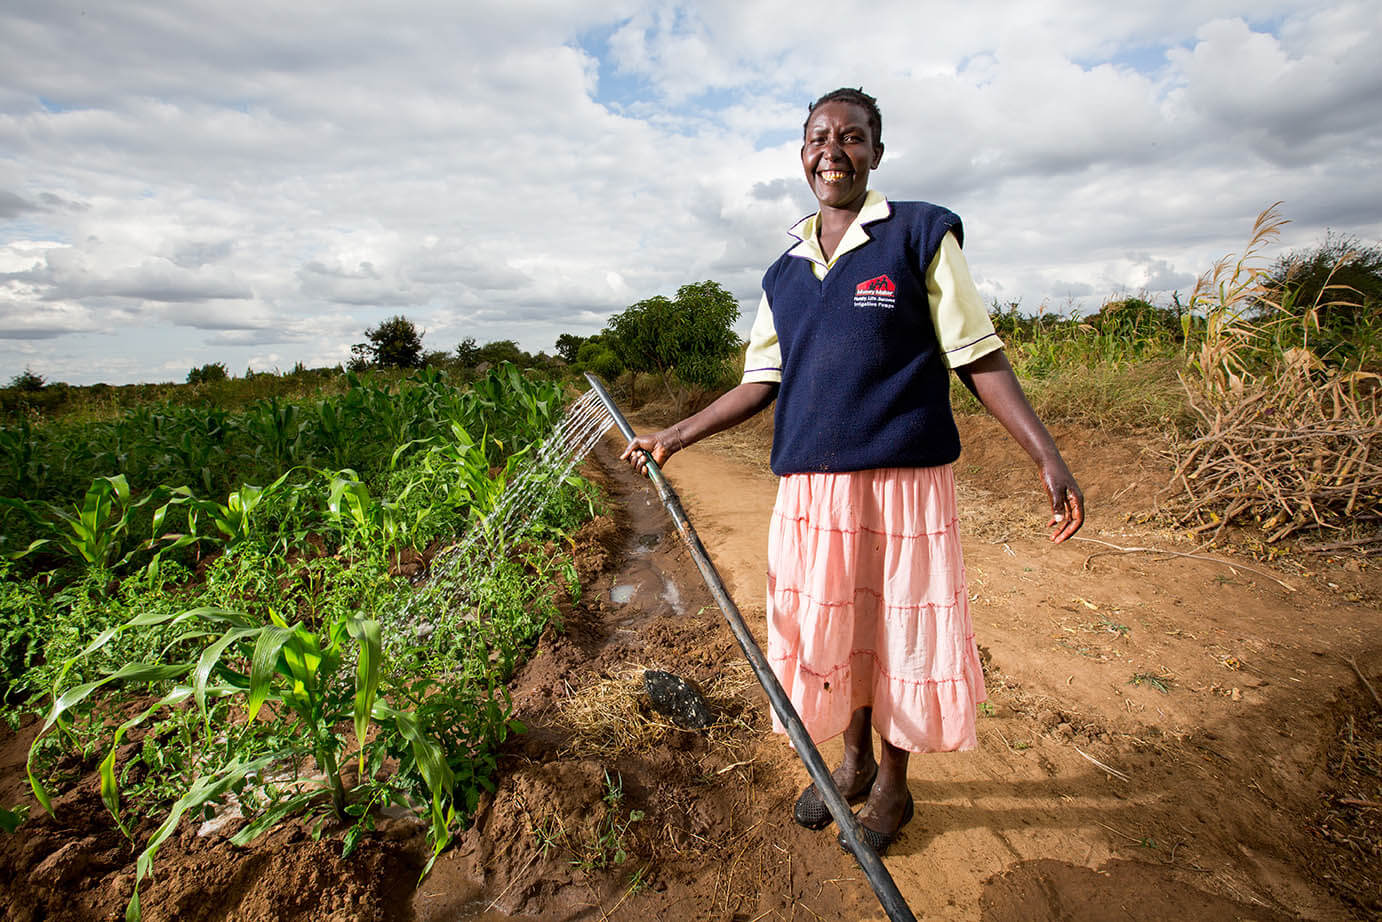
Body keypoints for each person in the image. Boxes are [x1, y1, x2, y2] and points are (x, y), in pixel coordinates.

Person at [621, 87, 1084, 856]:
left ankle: (896, 788)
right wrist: (673, 434)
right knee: (838, 629)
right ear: (801, 153)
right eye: (818, 136)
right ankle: (853, 760)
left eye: (853, 137)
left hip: (903, 481)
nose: (833, 149)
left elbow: (978, 355)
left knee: (896, 628)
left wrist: (1047, 455)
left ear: (876, 151)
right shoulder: (784, 272)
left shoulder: (920, 236)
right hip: (814, 487)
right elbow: (758, 382)